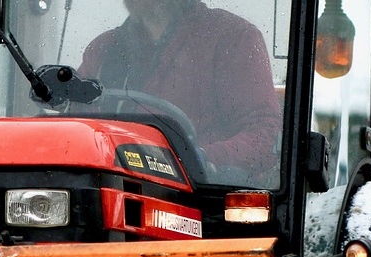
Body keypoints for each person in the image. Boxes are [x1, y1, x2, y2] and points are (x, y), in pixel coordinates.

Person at [78, 0, 281, 178]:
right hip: (114, 190)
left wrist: (198, 158)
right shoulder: (104, 50)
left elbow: (263, 135)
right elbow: (77, 128)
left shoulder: (232, 39)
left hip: (203, 200)